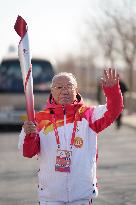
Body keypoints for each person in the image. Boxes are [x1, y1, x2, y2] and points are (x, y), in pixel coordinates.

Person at [18, 68, 123, 205]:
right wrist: (29, 135)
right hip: (51, 196)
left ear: (76, 89)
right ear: (52, 91)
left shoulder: (89, 115)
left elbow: (113, 110)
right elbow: (28, 152)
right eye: (59, 87)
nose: (64, 90)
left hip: (81, 194)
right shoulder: (38, 120)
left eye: (69, 86)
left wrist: (113, 91)